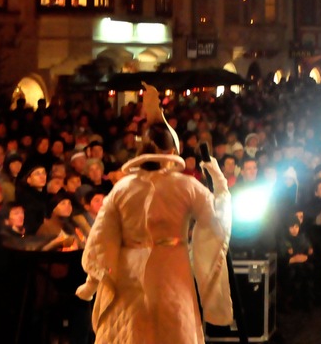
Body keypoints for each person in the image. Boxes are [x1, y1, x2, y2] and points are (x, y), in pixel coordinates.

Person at [76, 122, 232, 344]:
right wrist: (219, 183)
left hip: (132, 269)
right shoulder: (187, 185)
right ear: (171, 152)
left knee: (133, 330)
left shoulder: (122, 187)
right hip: (170, 267)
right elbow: (215, 221)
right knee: (172, 329)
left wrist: (93, 280)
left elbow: (103, 236)